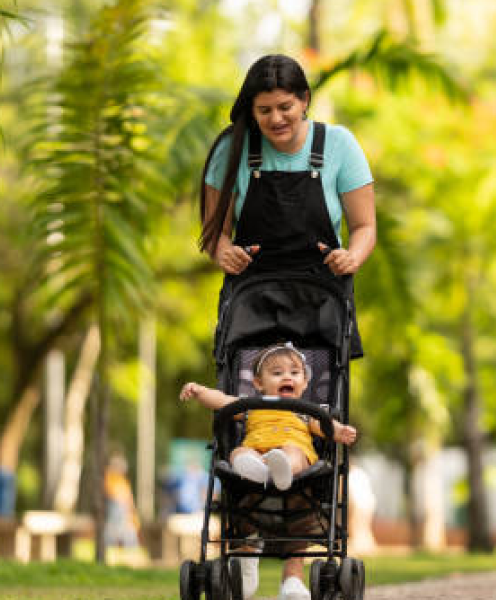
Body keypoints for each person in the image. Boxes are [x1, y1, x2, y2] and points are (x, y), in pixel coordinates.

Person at [198, 53, 376, 358]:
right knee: (250, 402)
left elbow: (365, 226)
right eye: (264, 110)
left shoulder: (339, 145)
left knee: (318, 403)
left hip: (322, 308)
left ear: (304, 99)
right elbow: (216, 233)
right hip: (249, 309)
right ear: (251, 110)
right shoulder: (232, 149)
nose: (276, 119)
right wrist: (223, 252)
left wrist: (353, 257)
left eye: (285, 107)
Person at [180, 342, 358, 600]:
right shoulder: (251, 405)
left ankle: (292, 582)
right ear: (258, 383)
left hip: (296, 466)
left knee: (291, 452)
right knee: (238, 454)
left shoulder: (307, 415)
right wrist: (200, 391)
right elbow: (221, 401)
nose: (287, 377)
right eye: (276, 373)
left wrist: (340, 430)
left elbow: (327, 426)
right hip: (259, 458)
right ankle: (256, 470)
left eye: (294, 373)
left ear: (305, 383)